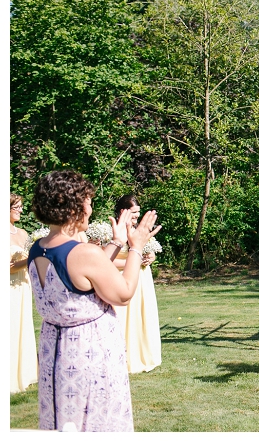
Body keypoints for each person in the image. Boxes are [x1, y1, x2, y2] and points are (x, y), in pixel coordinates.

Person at [27, 170, 161, 431]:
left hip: (55, 354)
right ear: (74, 206)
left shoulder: (38, 248)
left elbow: (84, 274)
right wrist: (135, 246)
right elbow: (123, 293)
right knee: (94, 421)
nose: (90, 208)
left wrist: (116, 242)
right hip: (89, 352)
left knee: (63, 422)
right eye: (88, 201)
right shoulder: (83, 252)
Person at [110, 195, 162, 374]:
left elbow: (150, 249)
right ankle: (124, 357)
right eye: (133, 213)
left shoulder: (140, 229)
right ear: (122, 211)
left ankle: (143, 354)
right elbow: (105, 259)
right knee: (123, 317)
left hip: (142, 278)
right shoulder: (113, 231)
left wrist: (151, 257)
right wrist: (132, 262)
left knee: (142, 314)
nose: (136, 217)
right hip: (122, 277)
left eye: (138, 213)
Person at [10, 193, 38, 394]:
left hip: (24, 286)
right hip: (9, 286)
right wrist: (28, 260)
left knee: (23, 325)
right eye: (16, 206)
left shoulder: (22, 233)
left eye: (21, 206)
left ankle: (25, 373)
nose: (20, 210)